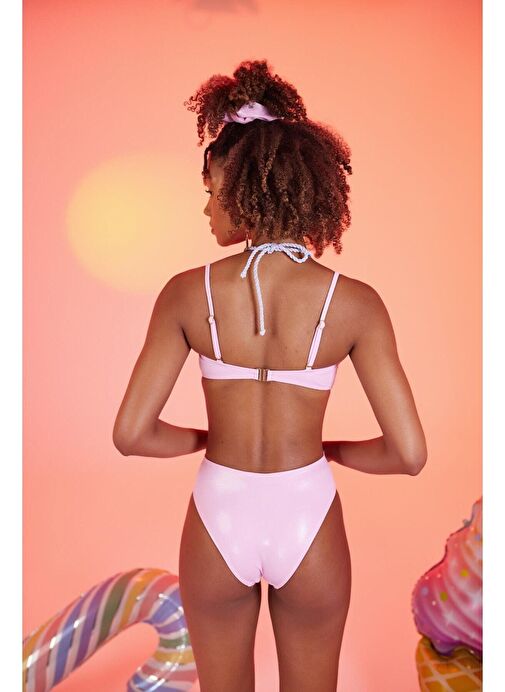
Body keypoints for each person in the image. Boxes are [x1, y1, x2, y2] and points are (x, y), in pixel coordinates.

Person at [112, 59, 427, 691]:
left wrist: (212, 439)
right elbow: (409, 454)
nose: (206, 209)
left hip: (218, 511)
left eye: (210, 191)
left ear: (239, 190)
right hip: (307, 511)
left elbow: (131, 434)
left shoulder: (185, 294)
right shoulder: (356, 303)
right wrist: (326, 450)